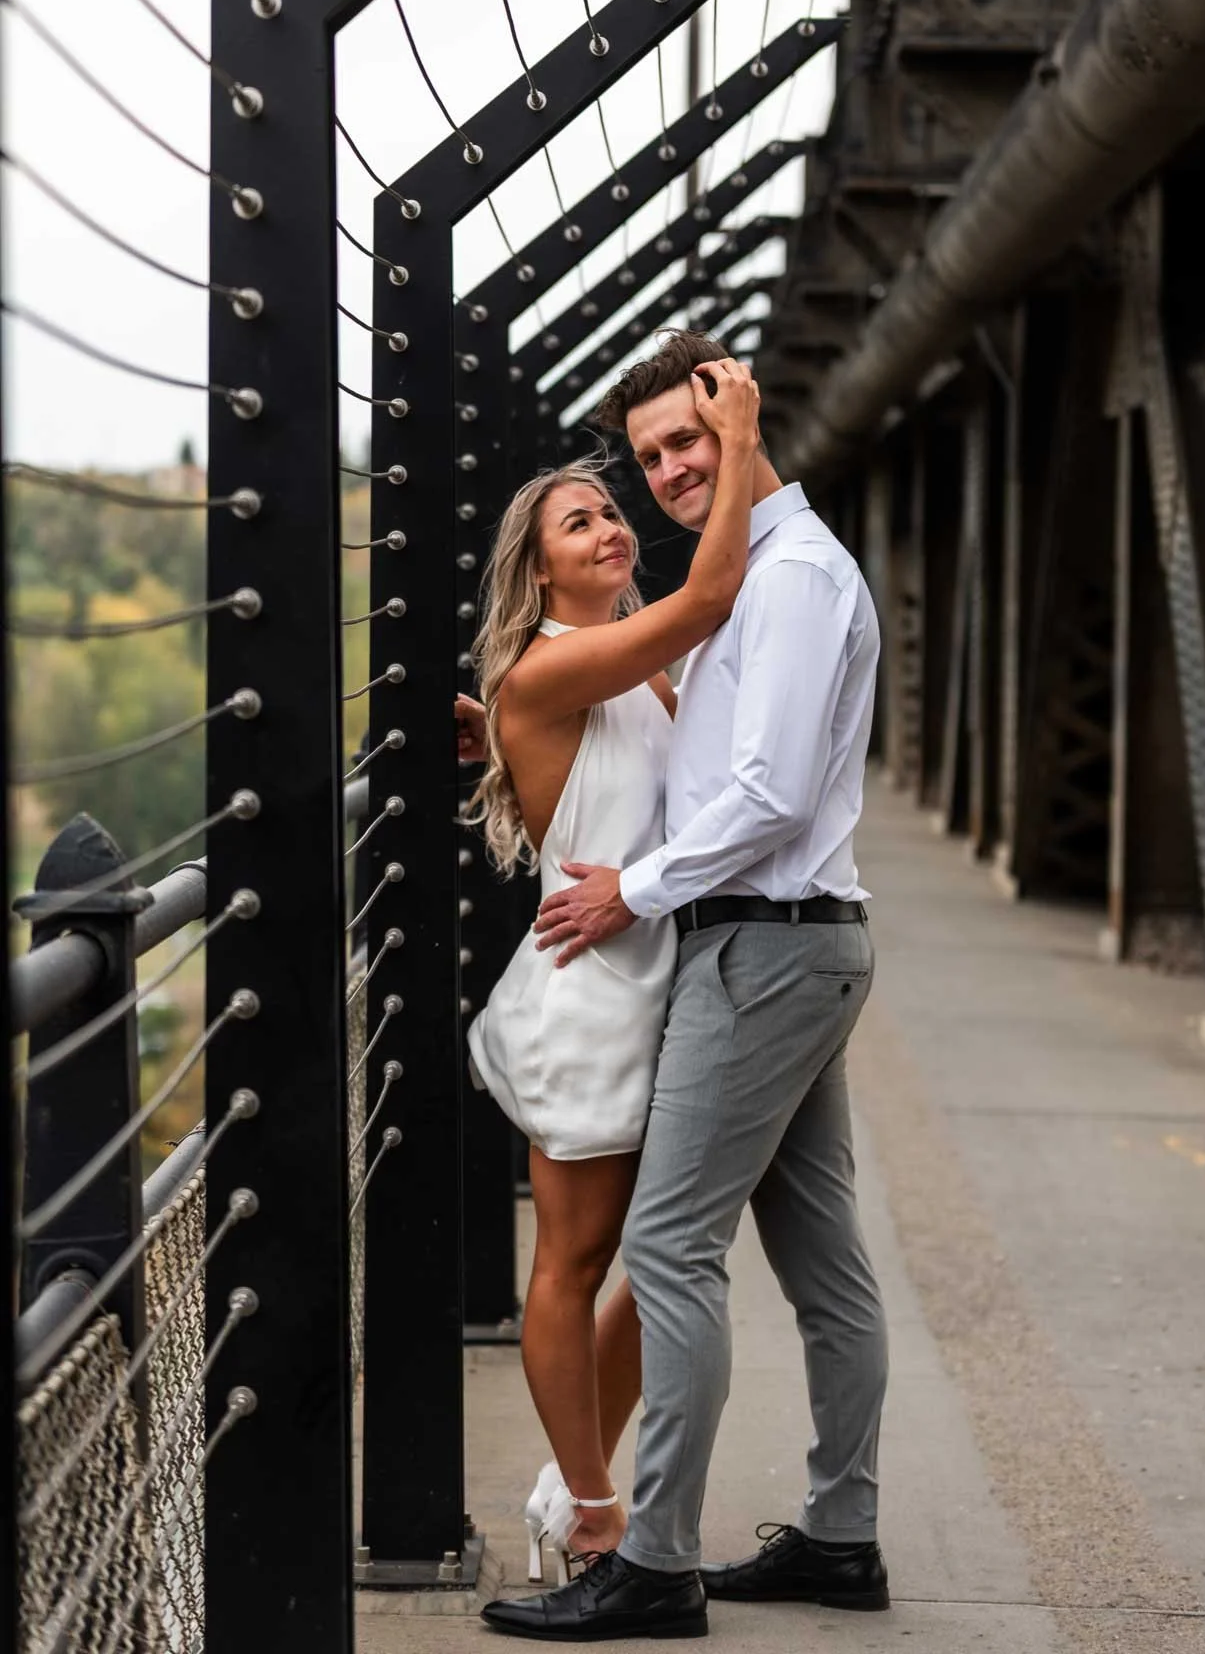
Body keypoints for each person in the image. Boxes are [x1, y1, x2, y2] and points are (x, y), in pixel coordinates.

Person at [481, 330, 888, 1643]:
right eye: (645, 456)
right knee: (820, 1258)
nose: (660, 475)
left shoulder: (785, 579)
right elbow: (637, 733)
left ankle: (651, 1562)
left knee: (662, 1249)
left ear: (740, 420)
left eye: (685, 443)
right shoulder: (749, 581)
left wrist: (636, 887)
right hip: (758, 948)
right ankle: (840, 1536)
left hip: (758, 947)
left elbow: (766, 796)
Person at [463, 359, 761, 1585]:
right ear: (538, 572)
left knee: (670, 1251)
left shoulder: (627, 667)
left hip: (653, 976)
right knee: (575, 1262)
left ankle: (566, 1480)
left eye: (607, 512)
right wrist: (736, 438)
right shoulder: (550, 667)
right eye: (578, 522)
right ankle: (593, 1509)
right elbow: (710, 596)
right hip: (586, 994)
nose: (607, 528)